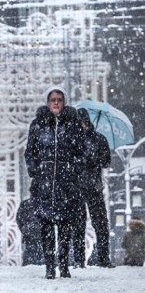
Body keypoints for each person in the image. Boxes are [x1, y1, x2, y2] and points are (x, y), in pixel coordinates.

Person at [24, 86, 84, 279]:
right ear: (47, 102)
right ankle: (50, 266)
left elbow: (82, 152)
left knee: (66, 227)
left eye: (59, 99)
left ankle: (64, 264)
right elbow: (30, 152)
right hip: (45, 182)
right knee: (46, 227)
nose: (56, 102)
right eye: (53, 99)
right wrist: (35, 170)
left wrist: (74, 169)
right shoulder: (38, 125)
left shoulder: (72, 124)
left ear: (64, 102)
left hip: (66, 183)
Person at [71, 108, 113, 268]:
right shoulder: (73, 140)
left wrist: (95, 159)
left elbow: (106, 161)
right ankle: (78, 259)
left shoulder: (99, 139)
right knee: (78, 225)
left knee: (100, 223)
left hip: (94, 187)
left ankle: (103, 257)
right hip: (77, 187)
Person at [16, 197, 44, 266]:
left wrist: (24, 228)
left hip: (29, 233)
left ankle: (30, 263)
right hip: (39, 233)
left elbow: (19, 218)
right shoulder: (44, 203)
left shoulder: (25, 203)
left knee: (30, 253)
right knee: (39, 253)